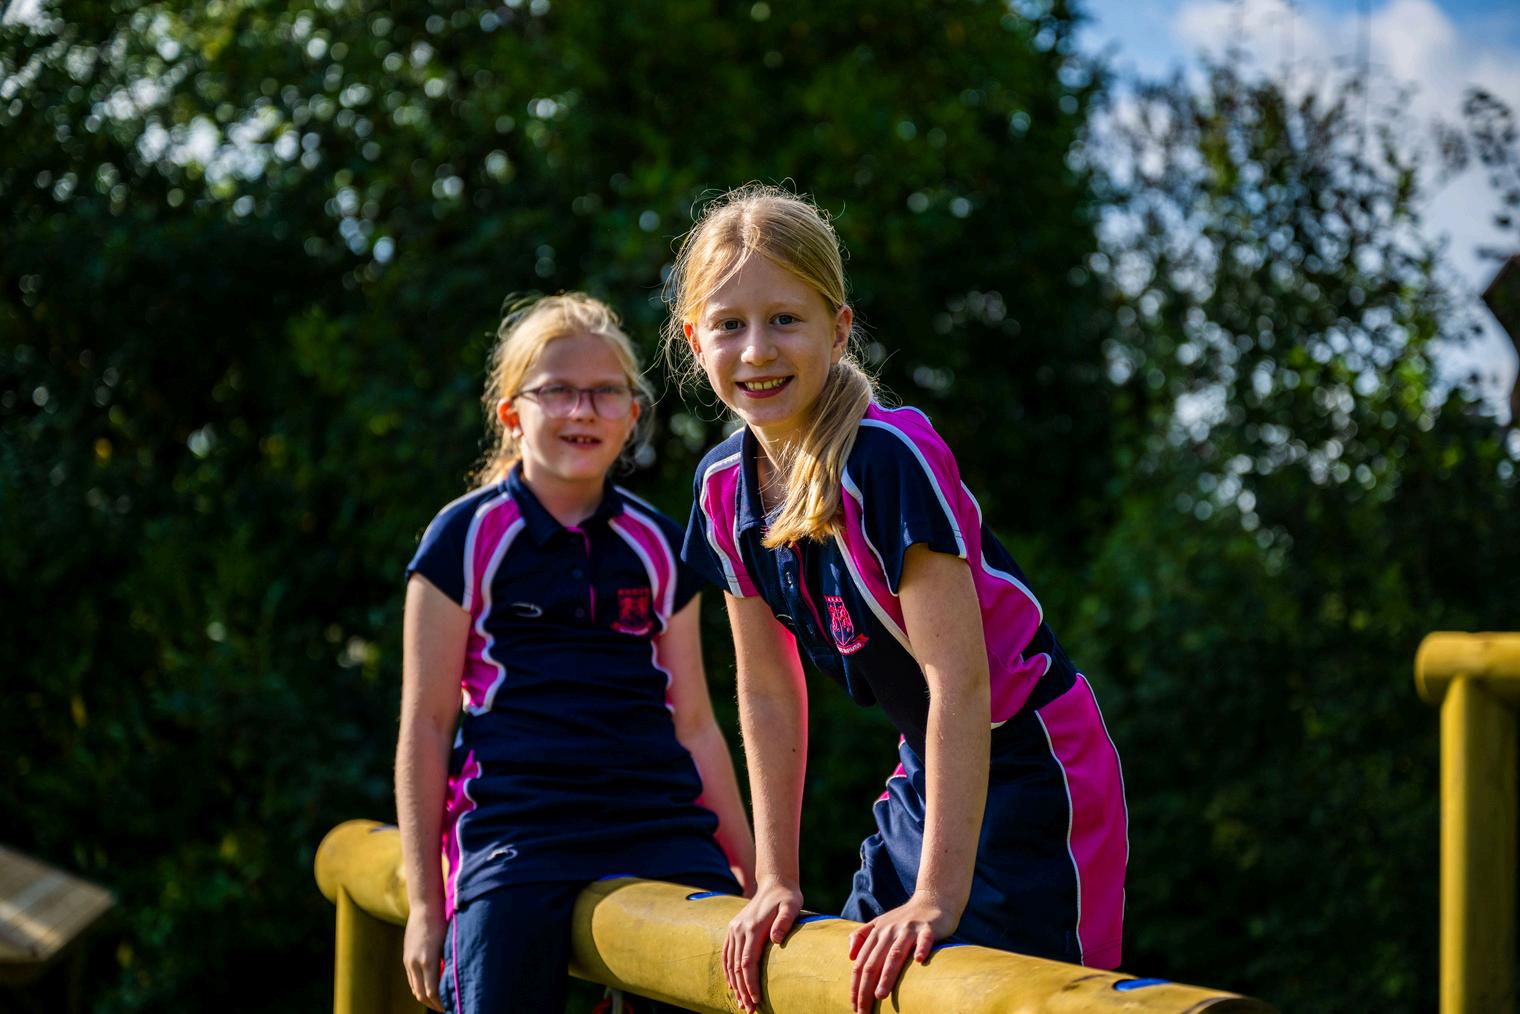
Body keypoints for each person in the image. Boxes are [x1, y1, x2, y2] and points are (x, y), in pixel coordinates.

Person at [666, 186, 1128, 1014]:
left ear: (838, 329)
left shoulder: (886, 459)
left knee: (1024, 998)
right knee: (851, 987)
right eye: (730, 324)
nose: (757, 349)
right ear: (696, 339)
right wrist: (775, 880)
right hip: (930, 764)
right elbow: (768, 689)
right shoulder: (720, 489)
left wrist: (936, 898)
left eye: (785, 319)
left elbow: (962, 681)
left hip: (1033, 762)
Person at [396, 292, 756, 1014]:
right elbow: (426, 726)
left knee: (728, 981)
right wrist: (426, 904)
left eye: (605, 393)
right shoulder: (462, 539)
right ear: (511, 412)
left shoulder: (661, 544)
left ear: (633, 413)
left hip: (657, 824)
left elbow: (695, 725)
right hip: (517, 829)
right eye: (557, 391)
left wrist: (755, 872)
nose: (582, 411)